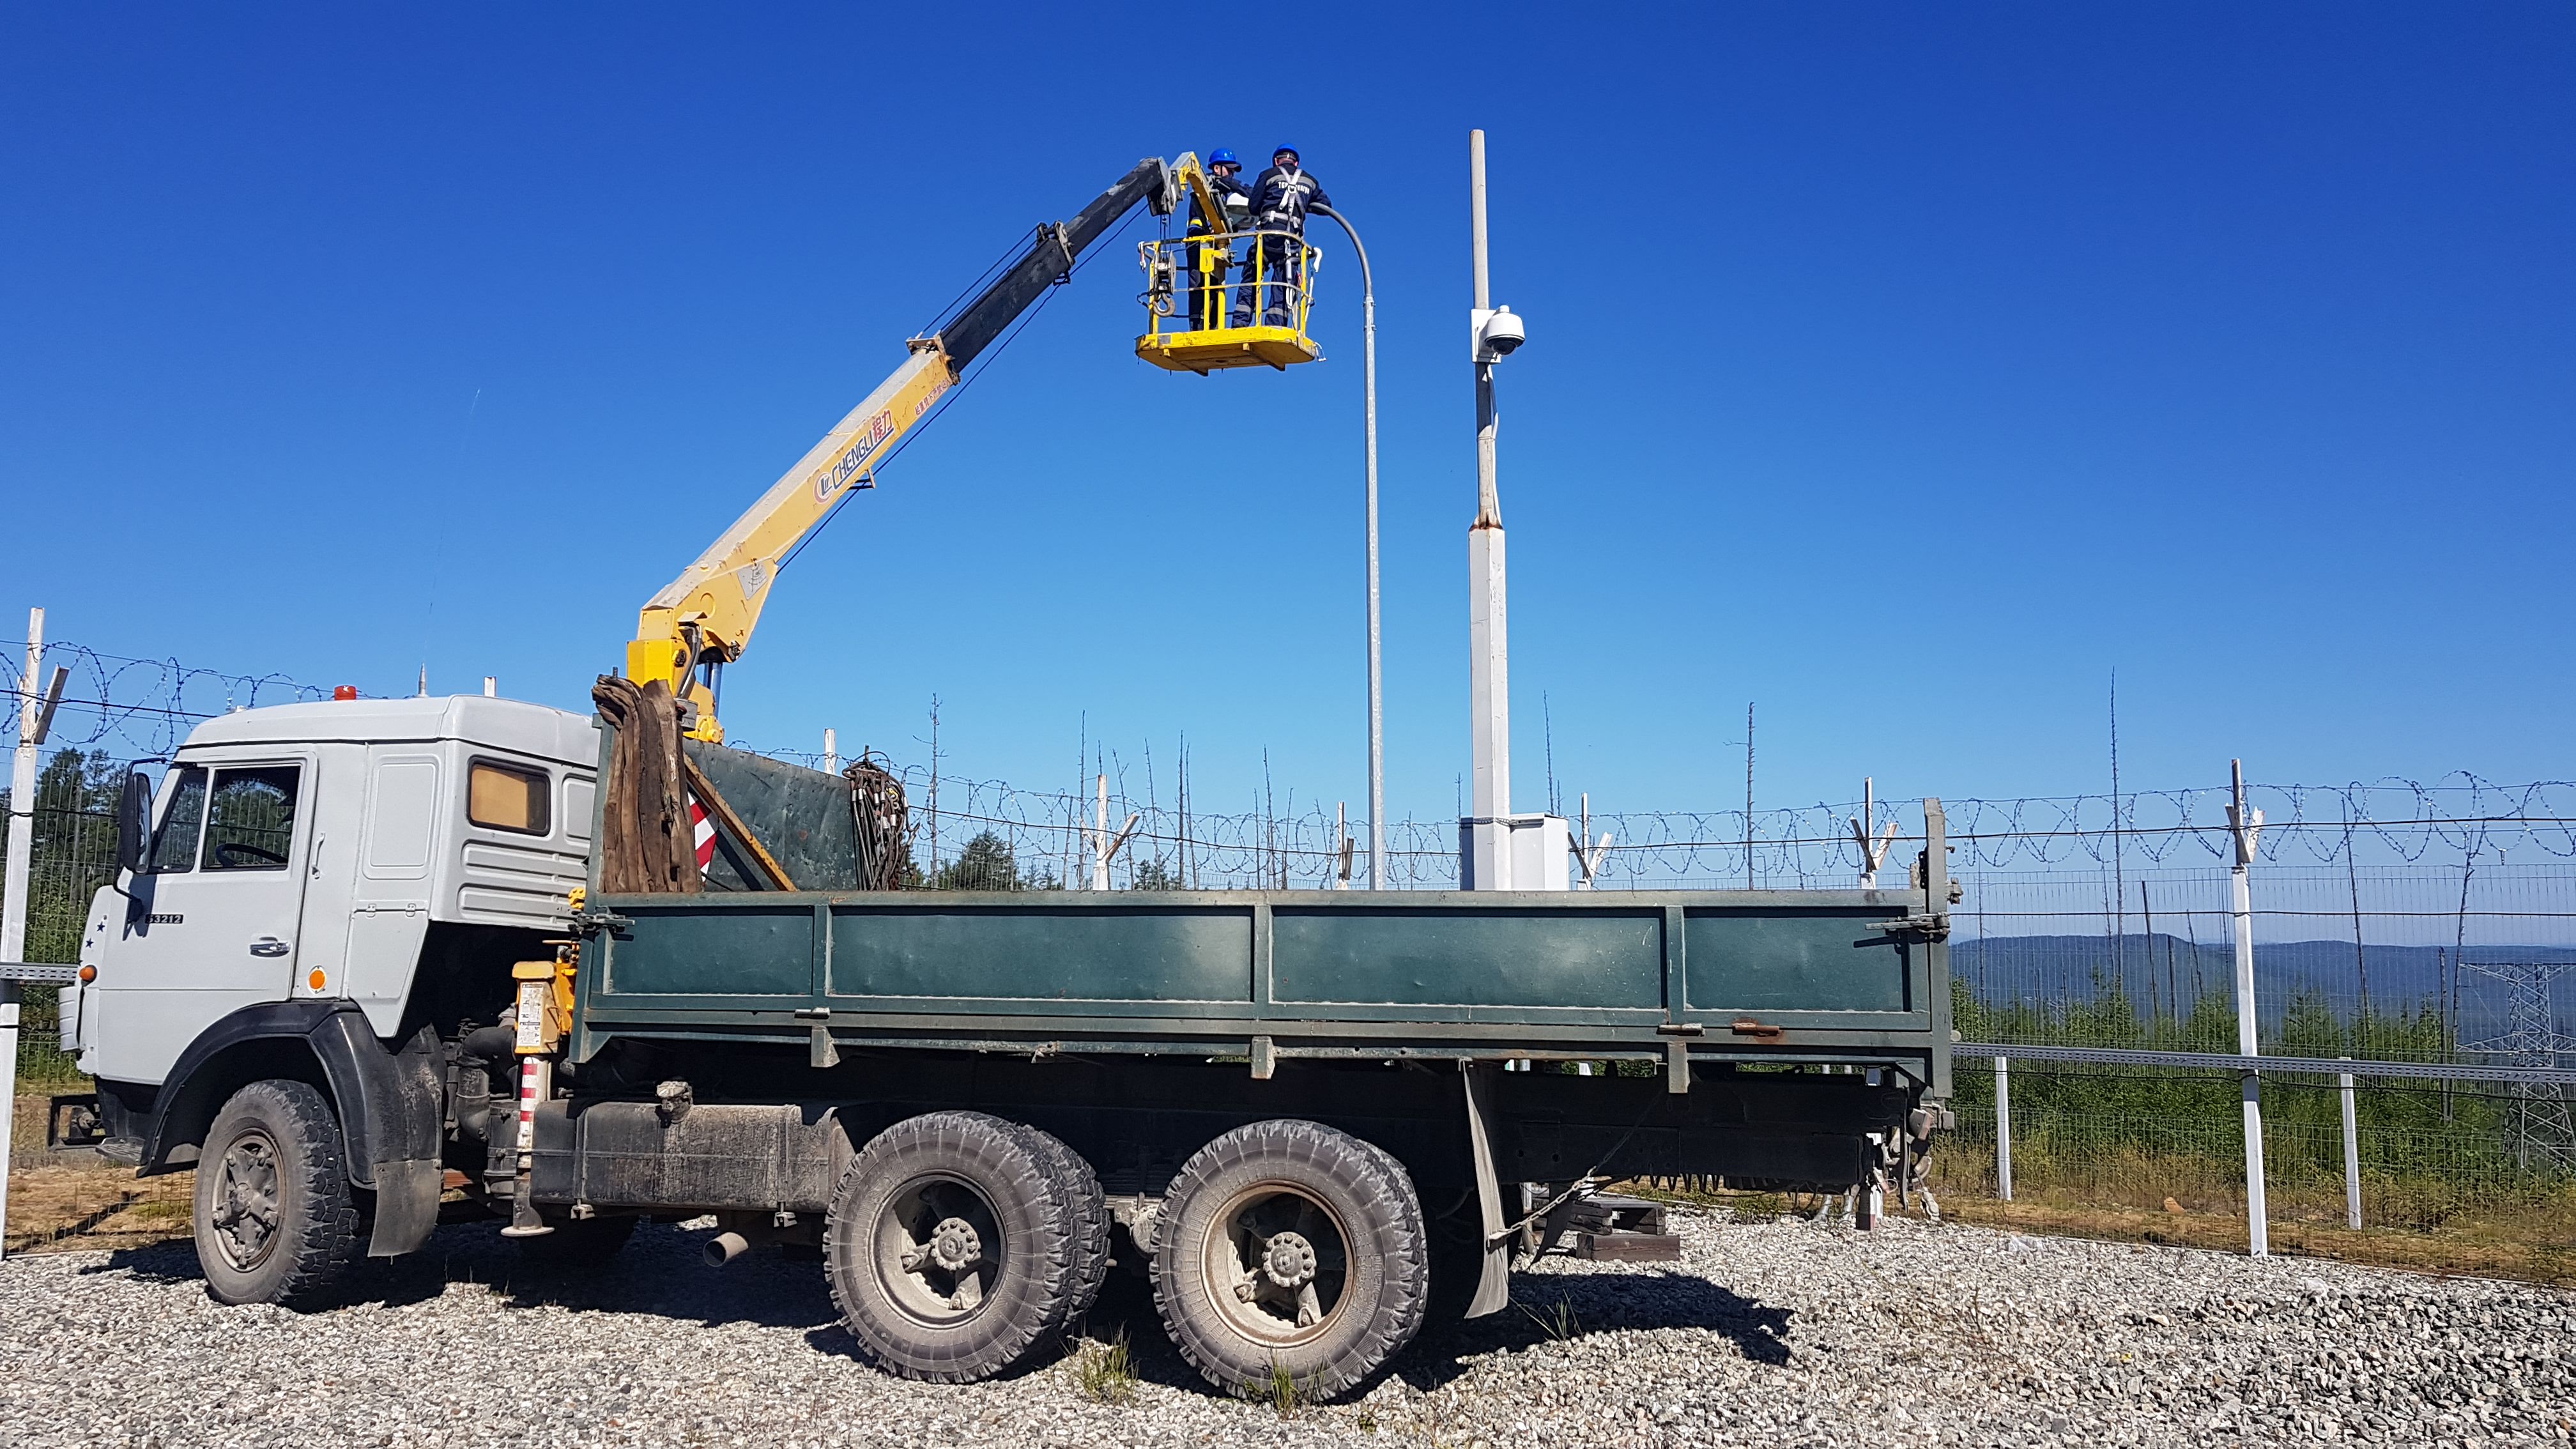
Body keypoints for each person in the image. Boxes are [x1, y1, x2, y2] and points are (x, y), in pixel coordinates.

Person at [1234, 145, 1328, 328]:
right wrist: (1303, 203)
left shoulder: (1268, 175)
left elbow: (1254, 207)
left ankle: (1241, 322)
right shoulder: (1310, 181)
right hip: (1292, 240)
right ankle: (1276, 324)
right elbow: (1326, 206)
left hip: (1267, 237)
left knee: (1251, 276)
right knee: (1284, 282)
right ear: (1296, 162)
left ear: (1277, 161)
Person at [1184, 150, 1250, 332]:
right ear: (1217, 168)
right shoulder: (1206, 184)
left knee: (1214, 288)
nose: (1231, 174)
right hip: (1198, 240)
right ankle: (1197, 329)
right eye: (1229, 170)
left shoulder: (1221, 191)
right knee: (1199, 287)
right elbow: (1243, 190)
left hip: (1215, 244)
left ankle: (1212, 327)